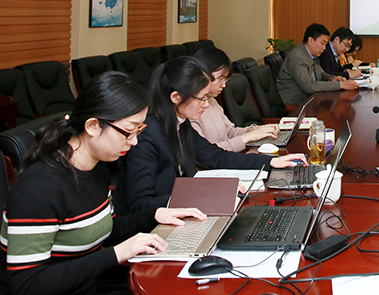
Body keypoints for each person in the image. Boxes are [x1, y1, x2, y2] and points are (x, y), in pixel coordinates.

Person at [1, 72, 204, 295]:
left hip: (87, 282)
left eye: (138, 130)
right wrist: (116, 254)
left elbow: (104, 229)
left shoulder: (96, 166)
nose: (134, 141)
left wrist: (154, 215)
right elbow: (27, 284)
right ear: (92, 126)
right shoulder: (39, 188)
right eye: (128, 131)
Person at [118, 57, 305, 213]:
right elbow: (140, 204)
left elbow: (216, 157)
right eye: (202, 98)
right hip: (150, 231)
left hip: (182, 214)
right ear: (175, 97)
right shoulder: (146, 136)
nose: (206, 105)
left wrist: (271, 162)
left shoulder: (181, 124)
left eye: (207, 97)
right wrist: (207, 193)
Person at [191, 47, 279, 152]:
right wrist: (247, 137)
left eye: (225, 79)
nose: (224, 85)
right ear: (203, 75)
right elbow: (208, 153)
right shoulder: (190, 110)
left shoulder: (212, 101)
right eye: (220, 79)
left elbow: (230, 132)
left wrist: (254, 130)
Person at [277, 23, 359, 105]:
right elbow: (309, 86)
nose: (324, 48)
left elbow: (321, 74)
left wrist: (331, 78)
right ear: (310, 40)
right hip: (296, 103)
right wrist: (340, 85)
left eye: (325, 44)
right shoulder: (297, 57)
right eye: (322, 43)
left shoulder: (313, 55)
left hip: (311, 98)